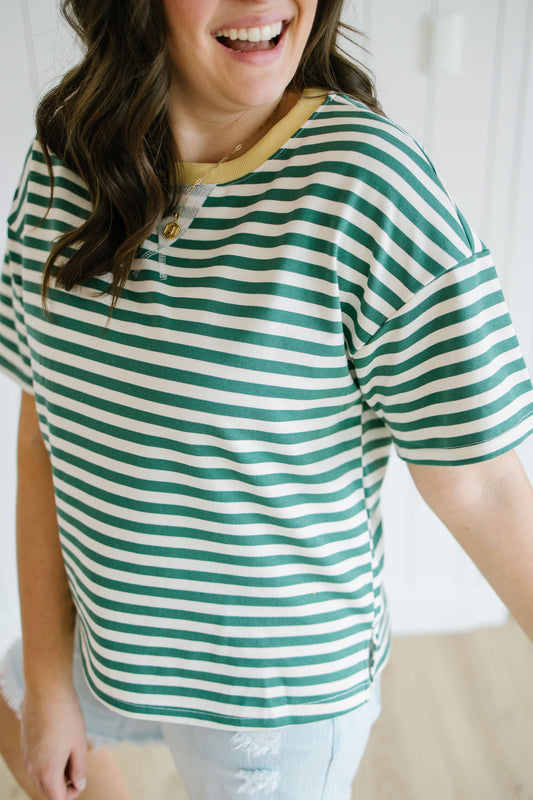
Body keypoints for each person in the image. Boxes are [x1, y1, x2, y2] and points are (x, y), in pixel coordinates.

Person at [1, 1, 533, 798]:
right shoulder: (64, 159)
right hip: (110, 643)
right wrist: (48, 685)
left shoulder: (367, 185)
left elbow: (483, 483)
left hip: (271, 703)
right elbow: (45, 429)